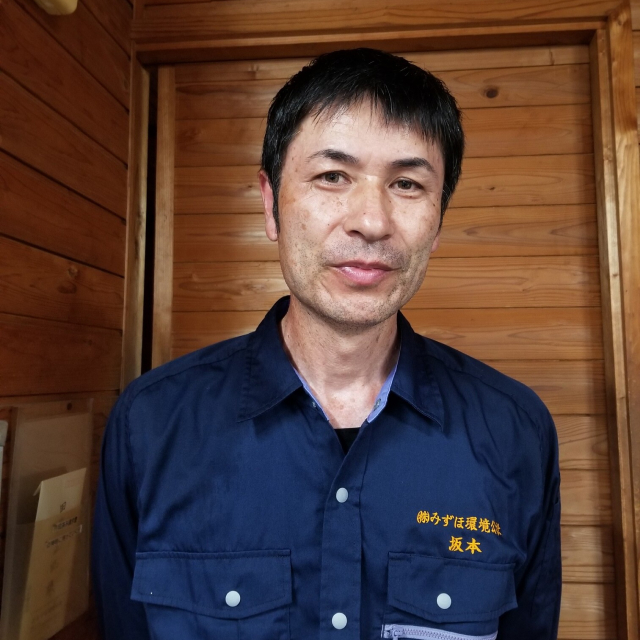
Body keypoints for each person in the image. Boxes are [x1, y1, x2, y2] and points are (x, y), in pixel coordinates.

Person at [92, 48, 561, 640]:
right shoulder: (150, 424)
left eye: (407, 183)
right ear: (271, 205)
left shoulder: (515, 431)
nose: (371, 221)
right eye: (332, 176)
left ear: (438, 221)